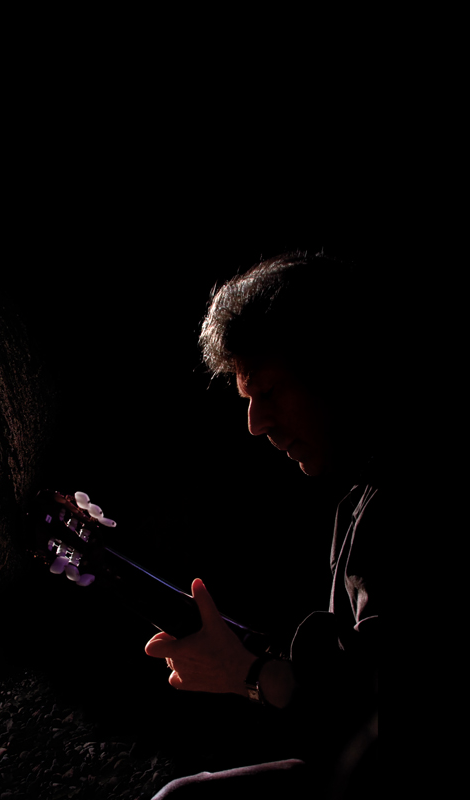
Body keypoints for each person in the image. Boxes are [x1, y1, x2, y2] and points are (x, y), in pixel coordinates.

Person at [145, 250, 382, 798]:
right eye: (248, 400)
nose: (254, 424)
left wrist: (248, 676)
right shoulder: (356, 501)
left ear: (338, 366)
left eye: (269, 392)